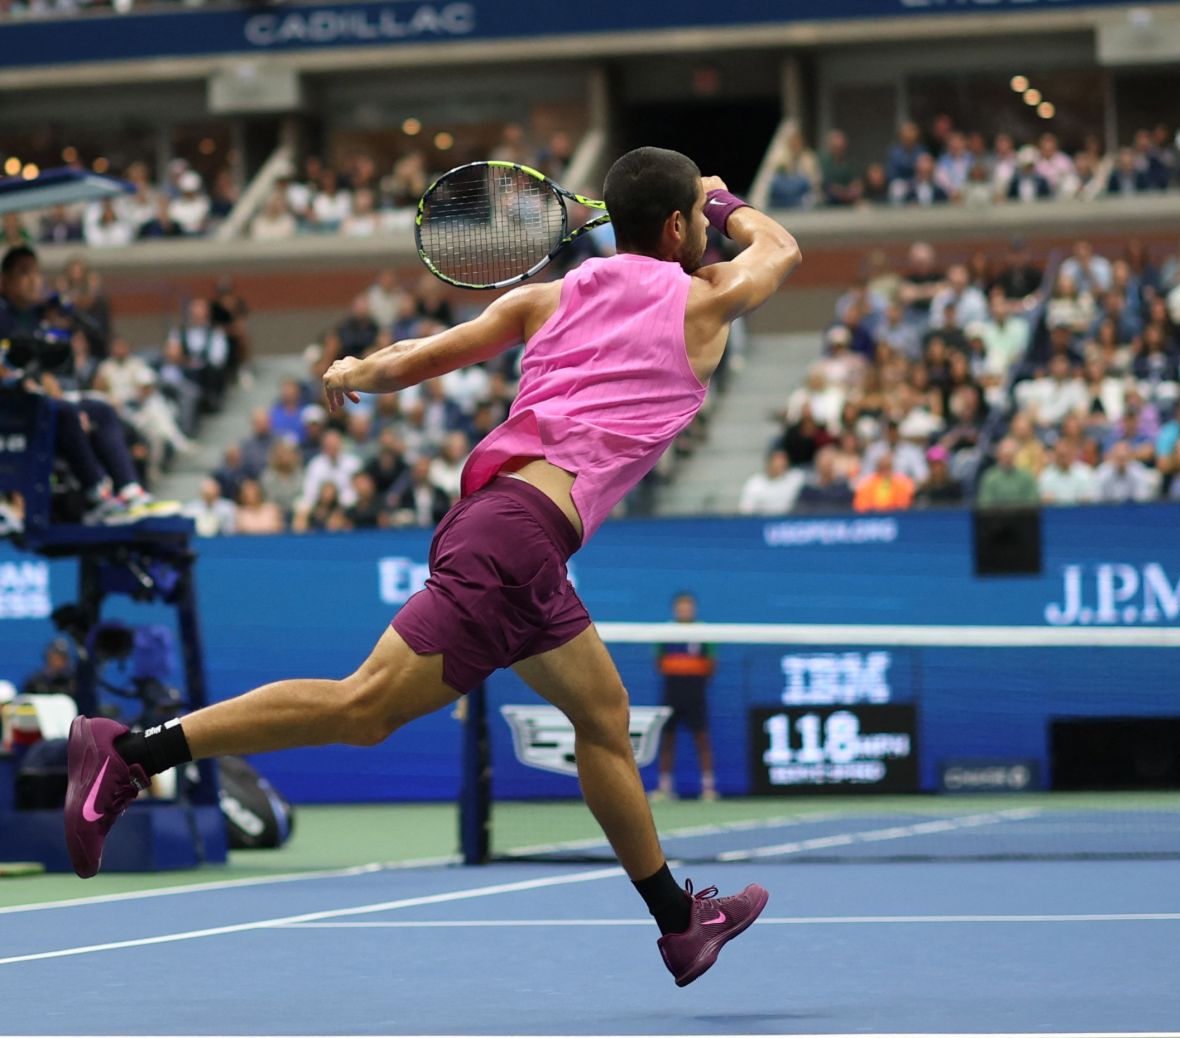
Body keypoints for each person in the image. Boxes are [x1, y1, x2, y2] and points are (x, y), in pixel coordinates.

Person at [65, 147, 799, 987]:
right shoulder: (704, 300)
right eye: (692, 224)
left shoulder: (548, 297)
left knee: (602, 715)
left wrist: (358, 369)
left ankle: (680, 923)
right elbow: (781, 251)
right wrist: (725, 201)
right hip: (516, 541)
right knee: (362, 708)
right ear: (675, 227)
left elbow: (421, 354)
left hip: (506, 531)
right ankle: (128, 752)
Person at [654, 592, 717, 803]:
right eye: (680, 607)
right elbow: (659, 661)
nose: (684, 610)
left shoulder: (703, 631)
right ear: (675, 609)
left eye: (688, 606)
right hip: (672, 691)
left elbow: (711, 663)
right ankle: (665, 787)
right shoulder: (666, 632)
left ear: (693, 609)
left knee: (702, 739)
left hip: (695, 692)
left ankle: (708, 787)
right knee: (668, 740)